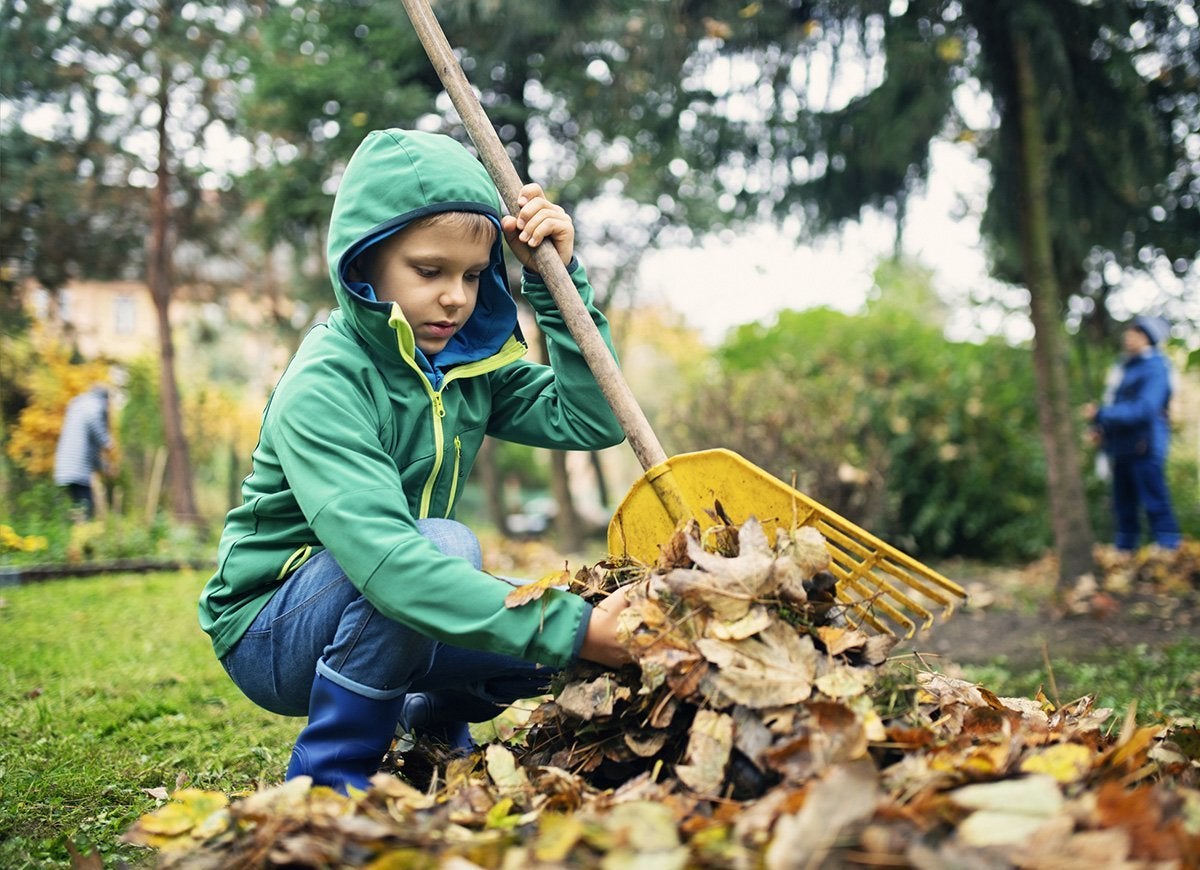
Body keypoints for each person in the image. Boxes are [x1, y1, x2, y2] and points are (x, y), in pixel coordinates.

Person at [198, 128, 633, 794]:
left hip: (393, 603)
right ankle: (330, 781)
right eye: (429, 271)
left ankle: (429, 728)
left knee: (542, 651)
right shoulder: (328, 379)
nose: (456, 297)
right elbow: (392, 563)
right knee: (449, 548)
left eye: (471, 275)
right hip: (269, 630)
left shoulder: (466, 366)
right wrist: (577, 631)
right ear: (366, 262)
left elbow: (593, 417)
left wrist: (557, 283)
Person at [1084, 315, 1181, 553]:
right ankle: (1125, 554)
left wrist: (1102, 414)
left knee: (1154, 500)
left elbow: (1145, 409)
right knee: (1123, 505)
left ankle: (1169, 551)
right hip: (1122, 447)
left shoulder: (1156, 367)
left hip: (1145, 446)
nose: (1128, 337)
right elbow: (1120, 404)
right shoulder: (1125, 367)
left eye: (1135, 333)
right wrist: (1102, 430)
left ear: (1148, 337)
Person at [53, 384, 112, 520]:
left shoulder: (79, 407)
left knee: (80, 506)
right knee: (85, 507)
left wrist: (105, 466)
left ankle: (79, 532)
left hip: (67, 467)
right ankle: (82, 535)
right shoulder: (93, 406)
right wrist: (107, 442)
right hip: (77, 471)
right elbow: (95, 425)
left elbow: (92, 452)